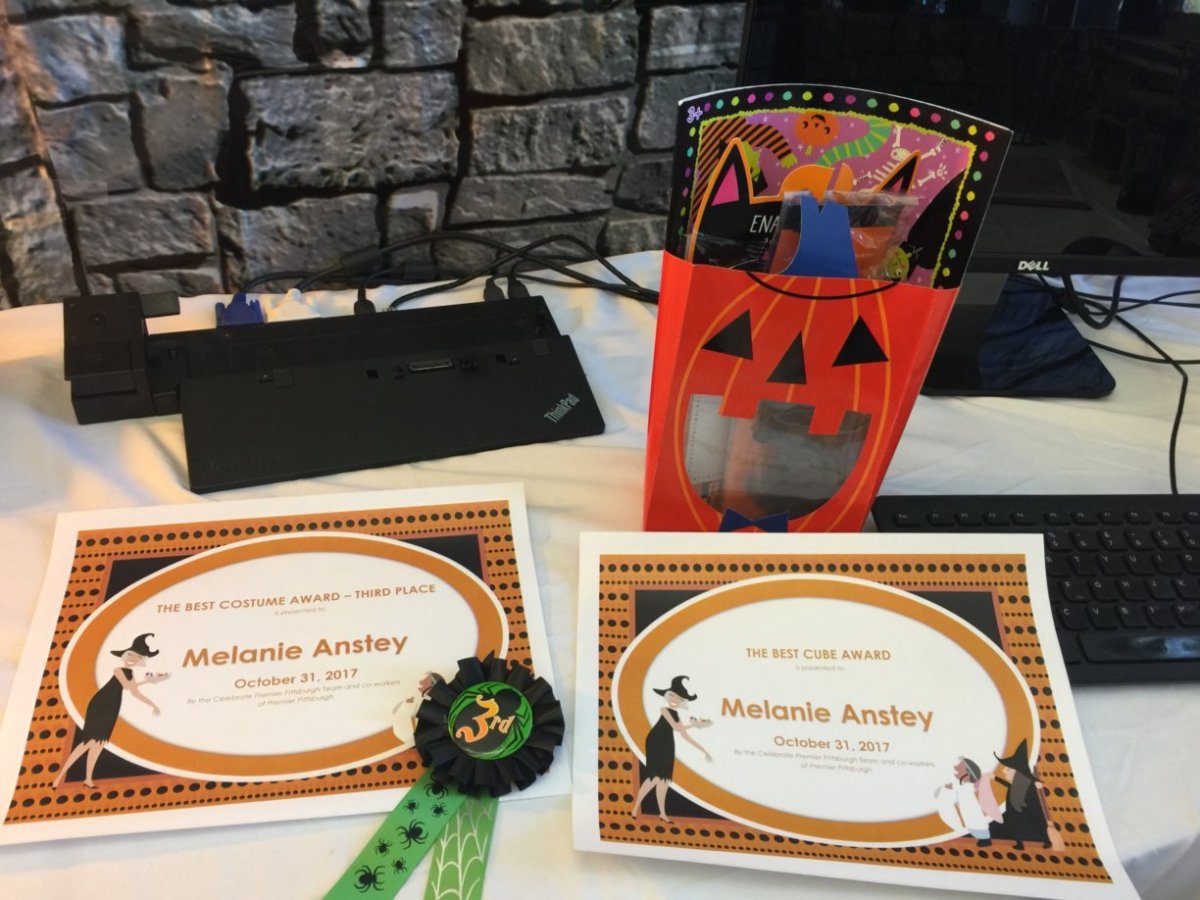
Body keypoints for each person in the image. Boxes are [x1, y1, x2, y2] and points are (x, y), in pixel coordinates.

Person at [52, 633, 169, 789]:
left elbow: (134, 692)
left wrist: (152, 704)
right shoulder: (118, 669)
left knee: (100, 743)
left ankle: (88, 779)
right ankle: (59, 777)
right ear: (125, 654)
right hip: (100, 704)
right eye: (131, 654)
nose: (132, 659)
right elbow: (127, 686)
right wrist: (147, 681)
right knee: (88, 742)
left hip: (113, 706)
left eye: (137, 657)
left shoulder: (130, 673)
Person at [631, 675, 713, 824]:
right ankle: (636, 807)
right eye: (673, 696)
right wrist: (695, 725)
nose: (675, 700)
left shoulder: (676, 714)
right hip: (656, 742)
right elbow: (676, 727)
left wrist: (703, 750)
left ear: (683, 702)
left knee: (664, 780)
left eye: (679, 698)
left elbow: (683, 734)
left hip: (668, 744)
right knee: (654, 778)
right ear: (667, 696)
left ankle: (662, 813)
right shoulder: (664, 710)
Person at [989, 739, 1052, 850]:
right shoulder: (1016, 782)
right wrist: (996, 778)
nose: (1004, 771)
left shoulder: (1024, 782)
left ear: (1017, 771)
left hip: (1025, 808)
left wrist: (1036, 783)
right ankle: (1019, 843)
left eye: (1008, 769)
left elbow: (1031, 784)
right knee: (1014, 825)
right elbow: (1009, 786)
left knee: (1036, 823)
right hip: (1014, 809)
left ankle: (1047, 841)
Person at [935, 756, 1003, 846]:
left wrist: (951, 786)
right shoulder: (963, 783)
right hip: (967, 809)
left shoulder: (967, 786)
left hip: (971, 809)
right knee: (971, 821)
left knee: (975, 822)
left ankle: (984, 840)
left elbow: (960, 787)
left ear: (968, 773)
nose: (956, 768)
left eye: (960, 767)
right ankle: (981, 838)